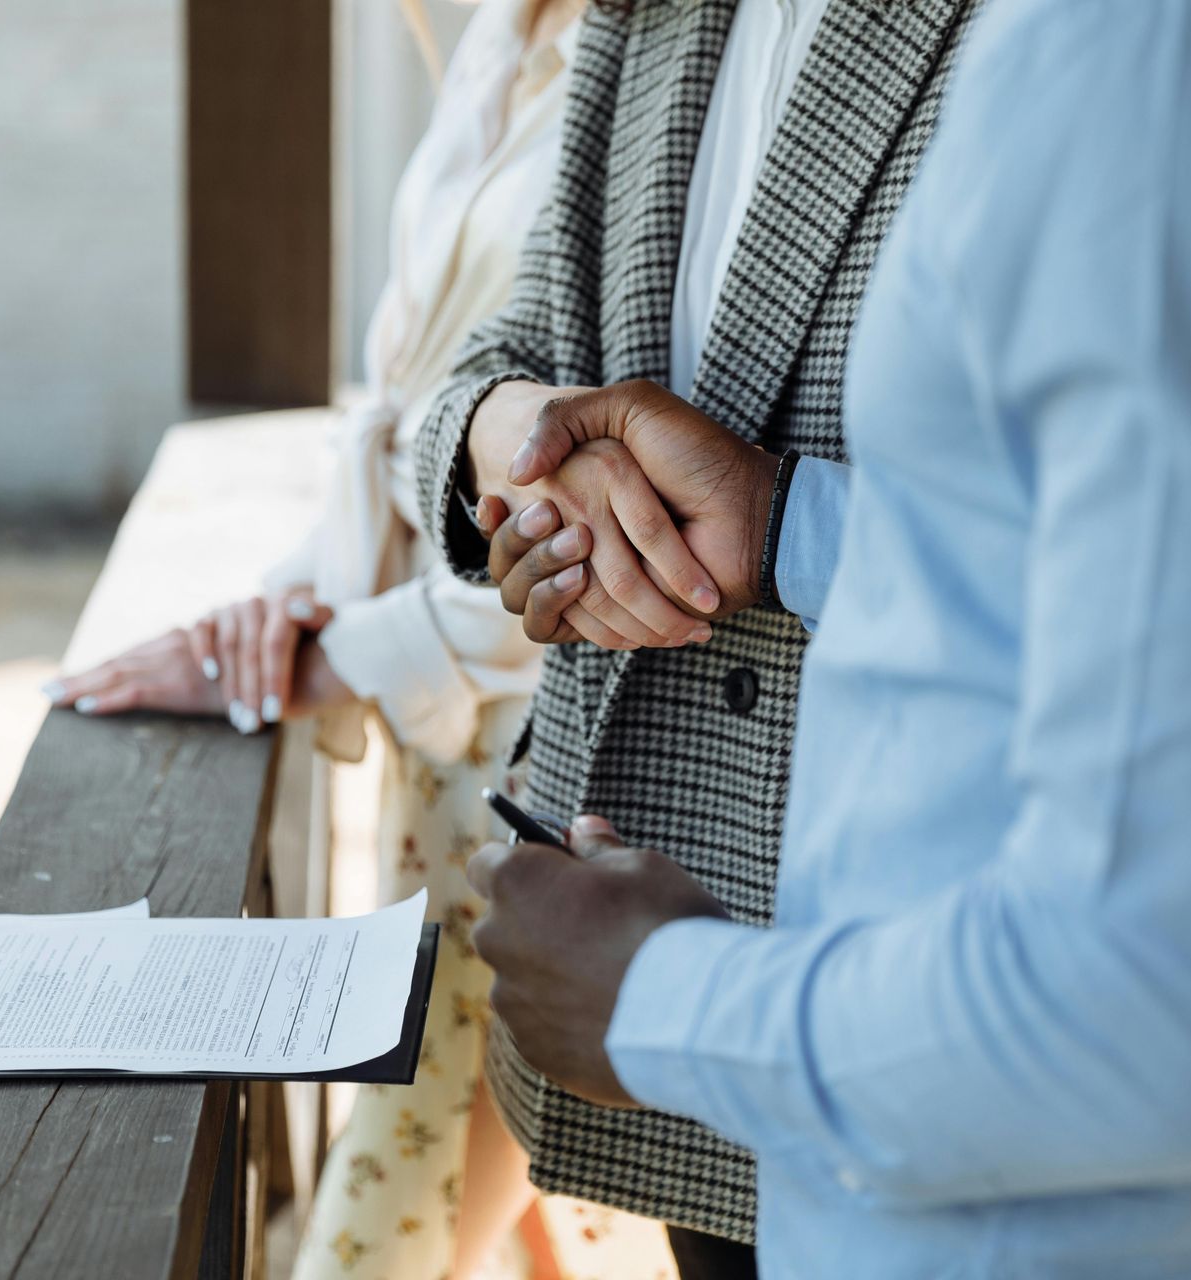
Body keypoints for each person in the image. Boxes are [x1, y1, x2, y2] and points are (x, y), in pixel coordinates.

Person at [465, 0, 1191, 1275]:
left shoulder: (1185, 55)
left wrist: (661, 1000)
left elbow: (1187, 1002)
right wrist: (785, 520)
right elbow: (1183, 580)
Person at [409, 0, 980, 1268]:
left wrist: (779, 521)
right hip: (653, 930)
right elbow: (499, 362)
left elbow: (1165, 562)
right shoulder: (650, 21)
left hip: (926, 1006)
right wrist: (516, 440)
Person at [48, 0, 594, 1274]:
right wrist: (299, 598)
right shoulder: (498, 46)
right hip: (441, 738)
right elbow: (412, 407)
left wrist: (338, 650)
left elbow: (609, 514)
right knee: (474, 1205)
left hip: (560, 755)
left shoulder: (661, 60)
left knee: (388, 1227)